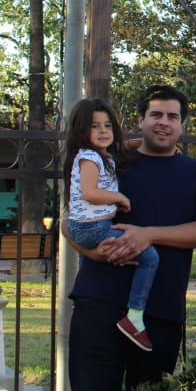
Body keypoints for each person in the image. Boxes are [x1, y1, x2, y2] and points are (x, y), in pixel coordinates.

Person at [66, 85, 196, 391]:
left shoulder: (195, 172)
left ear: (182, 125)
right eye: (155, 115)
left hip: (160, 311)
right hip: (99, 301)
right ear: (140, 119)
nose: (164, 123)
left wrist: (148, 235)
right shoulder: (111, 163)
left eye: (172, 116)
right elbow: (68, 221)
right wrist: (92, 253)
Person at [63, 97, 159, 352]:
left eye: (107, 125)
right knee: (150, 258)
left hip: (85, 226)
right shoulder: (89, 158)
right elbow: (90, 192)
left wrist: (143, 142)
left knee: (111, 253)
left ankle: (85, 299)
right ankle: (135, 317)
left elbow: (122, 147)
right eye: (95, 126)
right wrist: (119, 197)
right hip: (92, 227)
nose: (103, 131)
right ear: (82, 130)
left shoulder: (101, 154)